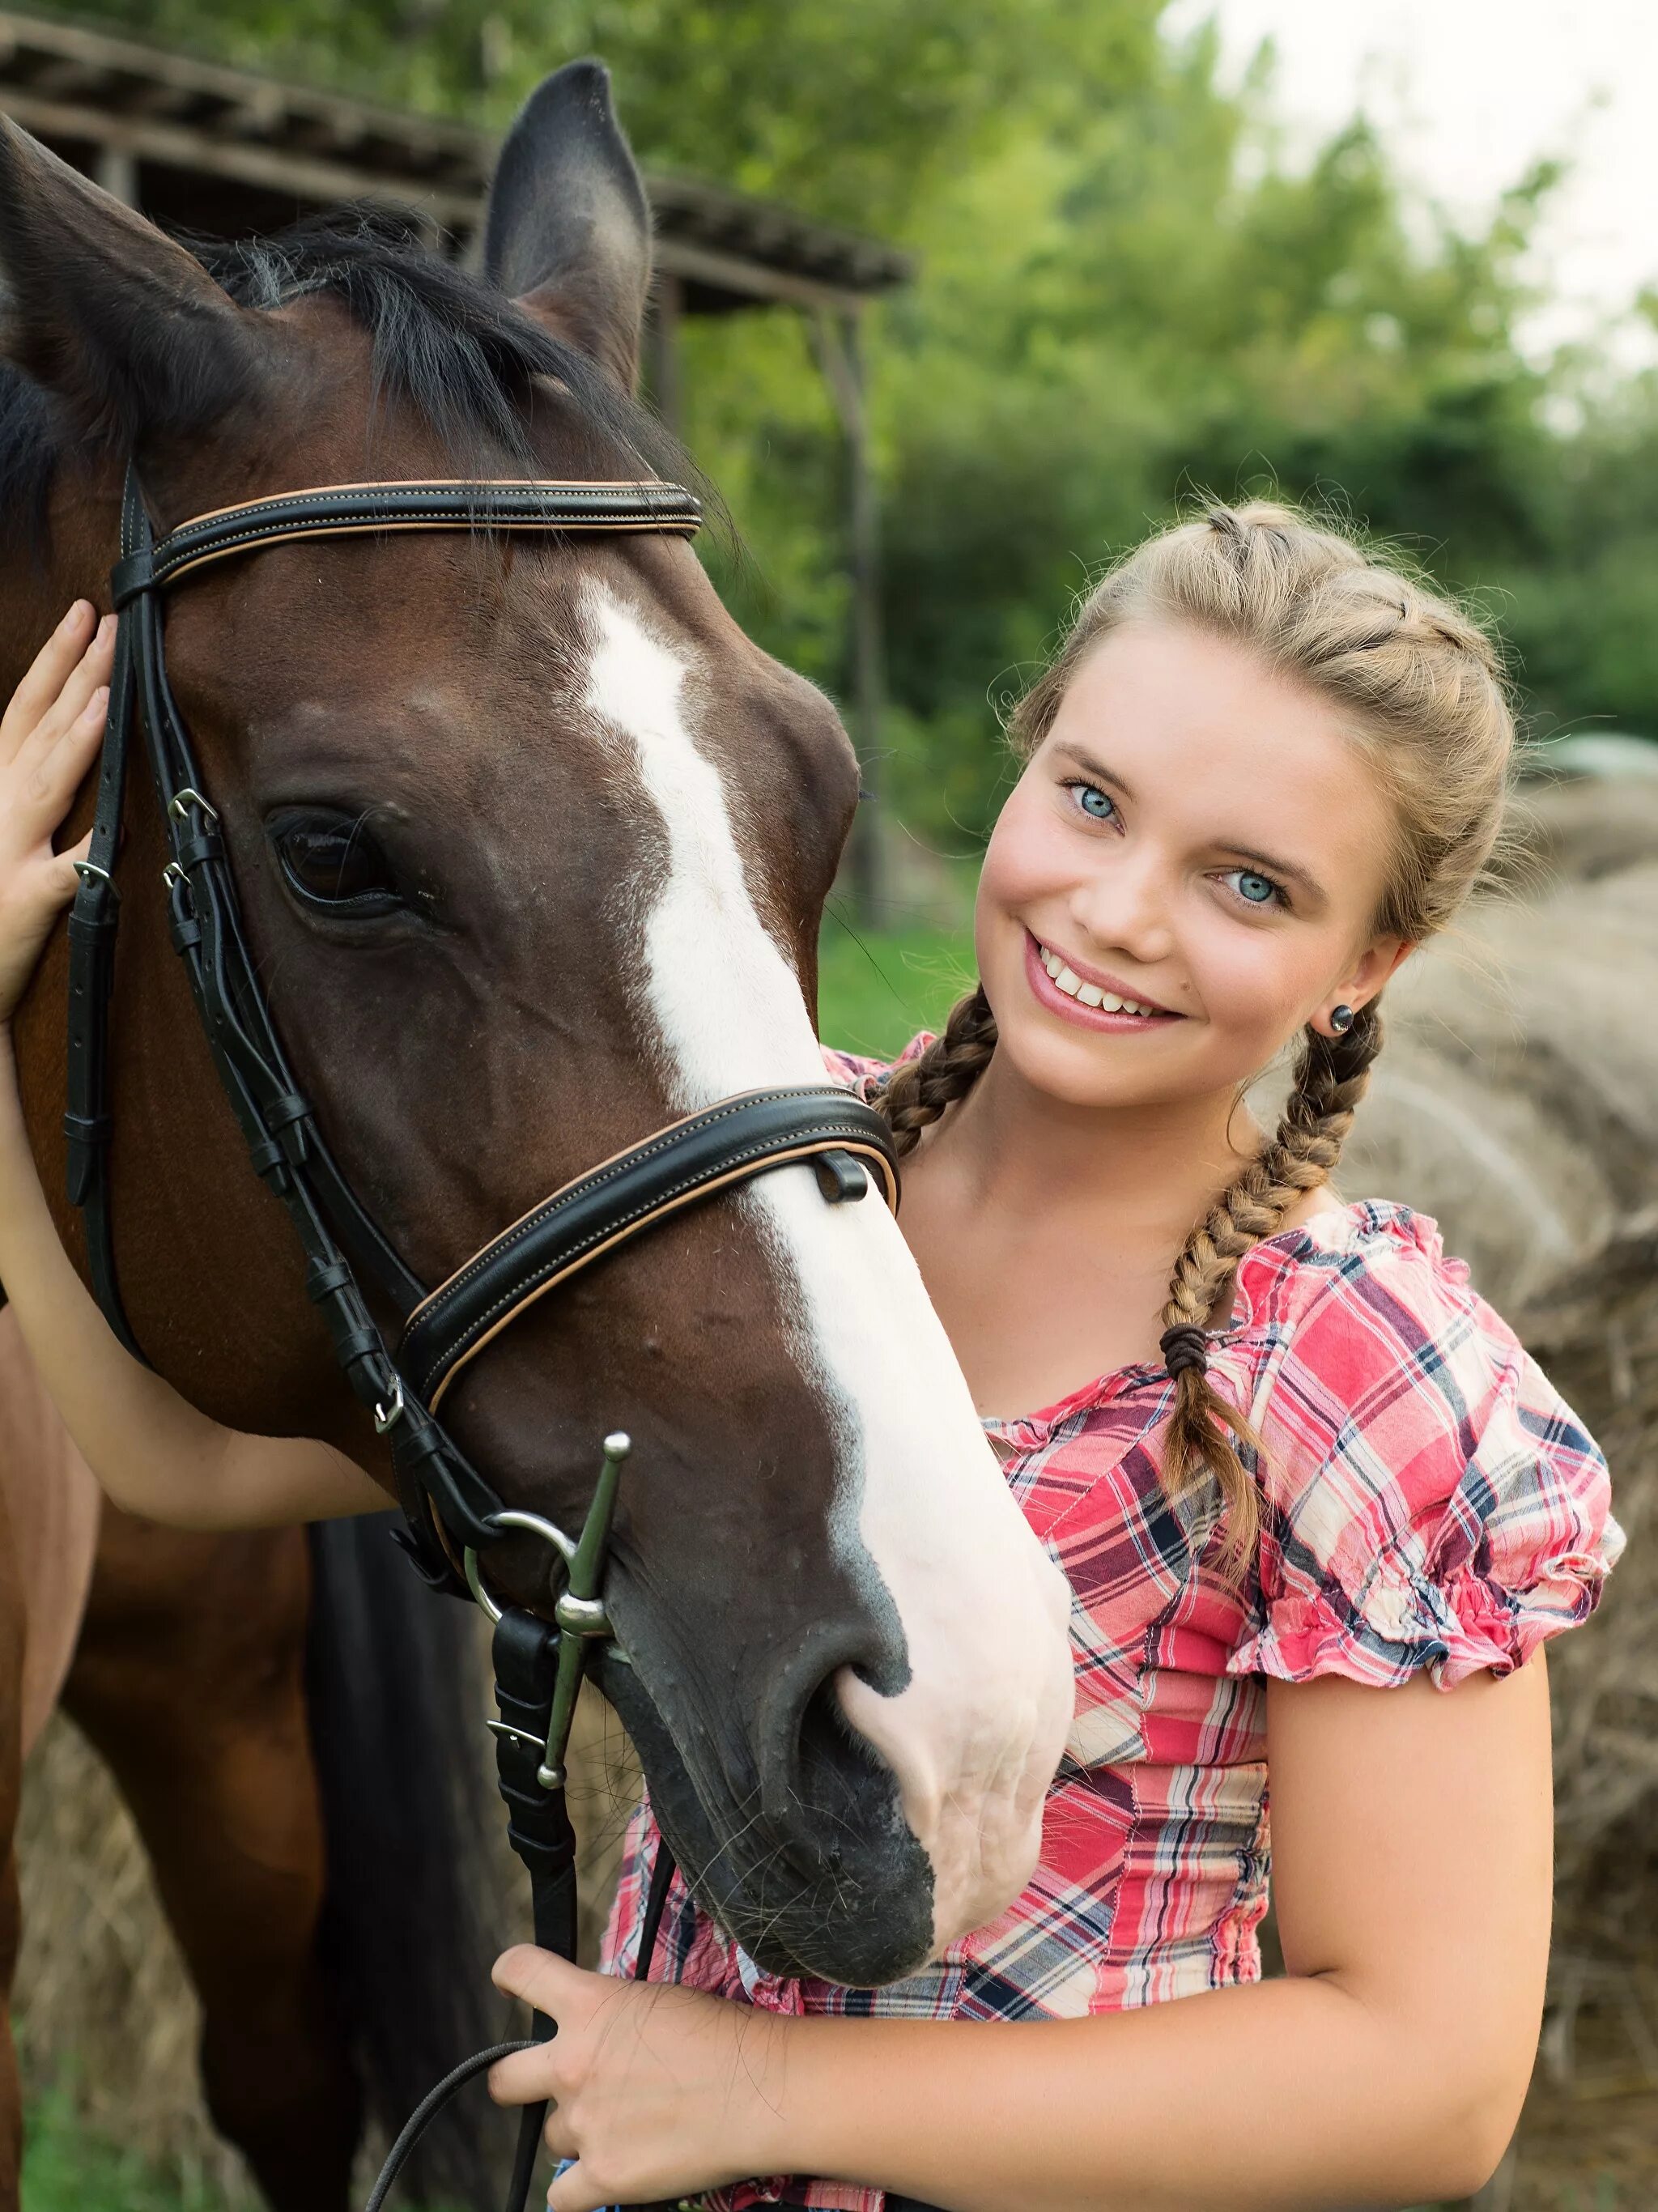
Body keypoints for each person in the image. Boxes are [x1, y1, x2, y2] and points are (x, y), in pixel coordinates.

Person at [0, 502, 1622, 2212]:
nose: (1122, 908)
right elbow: (174, 1463)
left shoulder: (1351, 1360)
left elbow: (1423, 2078)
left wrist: (767, 2086)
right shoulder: (749, 1213)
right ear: (1021, 763)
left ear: (1367, 965)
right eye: (1091, 799)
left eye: (1247, 882)